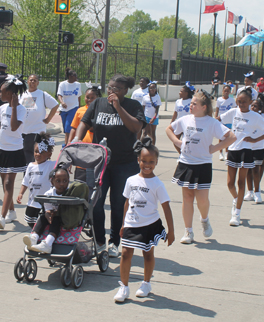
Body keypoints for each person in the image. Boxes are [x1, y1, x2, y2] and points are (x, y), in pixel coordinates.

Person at [75, 74, 146, 258]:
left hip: (125, 164)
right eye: (110, 87)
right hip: (100, 162)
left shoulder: (133, 106)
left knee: (118, 204)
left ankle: (115, 242)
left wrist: (118, 107)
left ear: (125, 90)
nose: (111, 91)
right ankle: (100, 241)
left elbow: (136, 128)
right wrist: (76, 139)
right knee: (96, 203)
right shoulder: (97, 103)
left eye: (116, 89)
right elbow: (85, 122)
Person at [166, 91, 235, 244]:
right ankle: (188, 231)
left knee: (202, 199)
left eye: (194, 104)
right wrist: (178, 143)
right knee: (187, 197)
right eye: (191, 103)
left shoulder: (212, 122)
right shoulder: (185, 119)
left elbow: (231, 137)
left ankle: (204, 220)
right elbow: (169, 129)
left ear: (204, 107)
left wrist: (215, 148)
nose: (190, 105)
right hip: (186, 163)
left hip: (203, 164)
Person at [113, 137, 175, 303]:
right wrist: (123, 224)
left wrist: (171, 231)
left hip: (149, 224)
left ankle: (146, 284)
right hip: (131, 223)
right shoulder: (131, 180)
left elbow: (166, 207)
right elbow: (127, 202)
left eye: (151, 162)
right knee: (125, 254)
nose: (147, 165)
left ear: (156, 162)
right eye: (144, 161)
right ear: (138, 160)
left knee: (148, 255)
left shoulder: (157, 184)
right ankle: (124, 287)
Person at [219, 88, 264, 226]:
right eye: (239, 101)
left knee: (241, 182)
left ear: (251, 102)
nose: (241, 104)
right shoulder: (233, 112)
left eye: (244, 102)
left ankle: (236, 213)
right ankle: (236, 199)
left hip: (246, 150)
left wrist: (256, 140)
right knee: (230, 183)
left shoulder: (256, 116)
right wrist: (224, 133)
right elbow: (217, 121)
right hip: (233, 149)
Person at [0, 75, 28, 230]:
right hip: (2, 150)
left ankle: (2, 216)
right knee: (3, 182)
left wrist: (13, 107)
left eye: (2, 92)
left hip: (15, 151)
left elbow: (14, 127)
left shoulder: (21, 110)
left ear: (12, 94)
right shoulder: (2, 108)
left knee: (8, 183)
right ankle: (12, 212)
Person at [23, 167, 70, 254]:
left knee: (56, 219)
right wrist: (48, 215)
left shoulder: (69, 193)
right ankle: (34, 237)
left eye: (65, 181)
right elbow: (48, 209)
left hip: (65, 217)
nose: (62, 184)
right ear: (52, 182)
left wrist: (53, 215)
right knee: (42, 217)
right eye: (58, 181)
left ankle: (48, 244)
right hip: (52, 215)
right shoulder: (49, 194)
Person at [17, 132, 56, 227]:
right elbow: (25, 181)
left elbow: (62, 160)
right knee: (30, 221)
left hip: (45, 202)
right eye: (36, 151)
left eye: (41, 152)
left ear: (49, 154)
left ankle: (37, 235)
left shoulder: (50, 165)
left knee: (43, 222)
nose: (37, 154)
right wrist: (21, 193)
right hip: (32, 201)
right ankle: (35, 233)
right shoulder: (30, 166)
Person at [19, 74, 59, 164]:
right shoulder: (22, 94)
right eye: (31, 80)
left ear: (38, 83)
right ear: (27, 82)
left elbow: (55, 105)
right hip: (23, 131)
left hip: (36, 130)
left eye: (35, 80)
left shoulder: (42, 94)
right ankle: (28, 174)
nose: (32, 82)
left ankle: (30, 174)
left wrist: (48, 119)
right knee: (25, 155)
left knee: (31, 155)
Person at [57, 68, 81, 146]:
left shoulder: (78, 84)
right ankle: (68, 142)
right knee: (65, 128)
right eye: (75, 76)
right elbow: (59, 95)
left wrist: (79, 107)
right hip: (64, 109)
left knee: (68, 127)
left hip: (73, 108)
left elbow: (79, 96)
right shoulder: (62, 84)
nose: (76, 77)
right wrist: (62, 102)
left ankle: (66, 144)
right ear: (70, 76)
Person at [215, 85, 236, 161]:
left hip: (229, 121)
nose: (226, 92)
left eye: (228, 91)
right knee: (221, 137)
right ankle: (221, 152)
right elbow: (217, 109)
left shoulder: (232, 100)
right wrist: (216, 118)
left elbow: (234, 110)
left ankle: (227, 152)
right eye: (225, 91)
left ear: (230, 92)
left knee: (228, 137)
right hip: (221, 120)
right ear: (222, 91)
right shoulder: (219, 100)